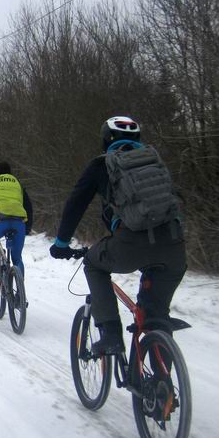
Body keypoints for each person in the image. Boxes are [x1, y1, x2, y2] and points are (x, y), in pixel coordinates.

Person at [49, 116, 186, 355]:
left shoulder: (102, 165)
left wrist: (61, 244)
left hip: (130, 244)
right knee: (156, 316)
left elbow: (75, 205)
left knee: (93, 264)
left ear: (106, 140)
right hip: (173, 246)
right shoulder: (155, 162)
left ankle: (111, 333)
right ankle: (162, 383)